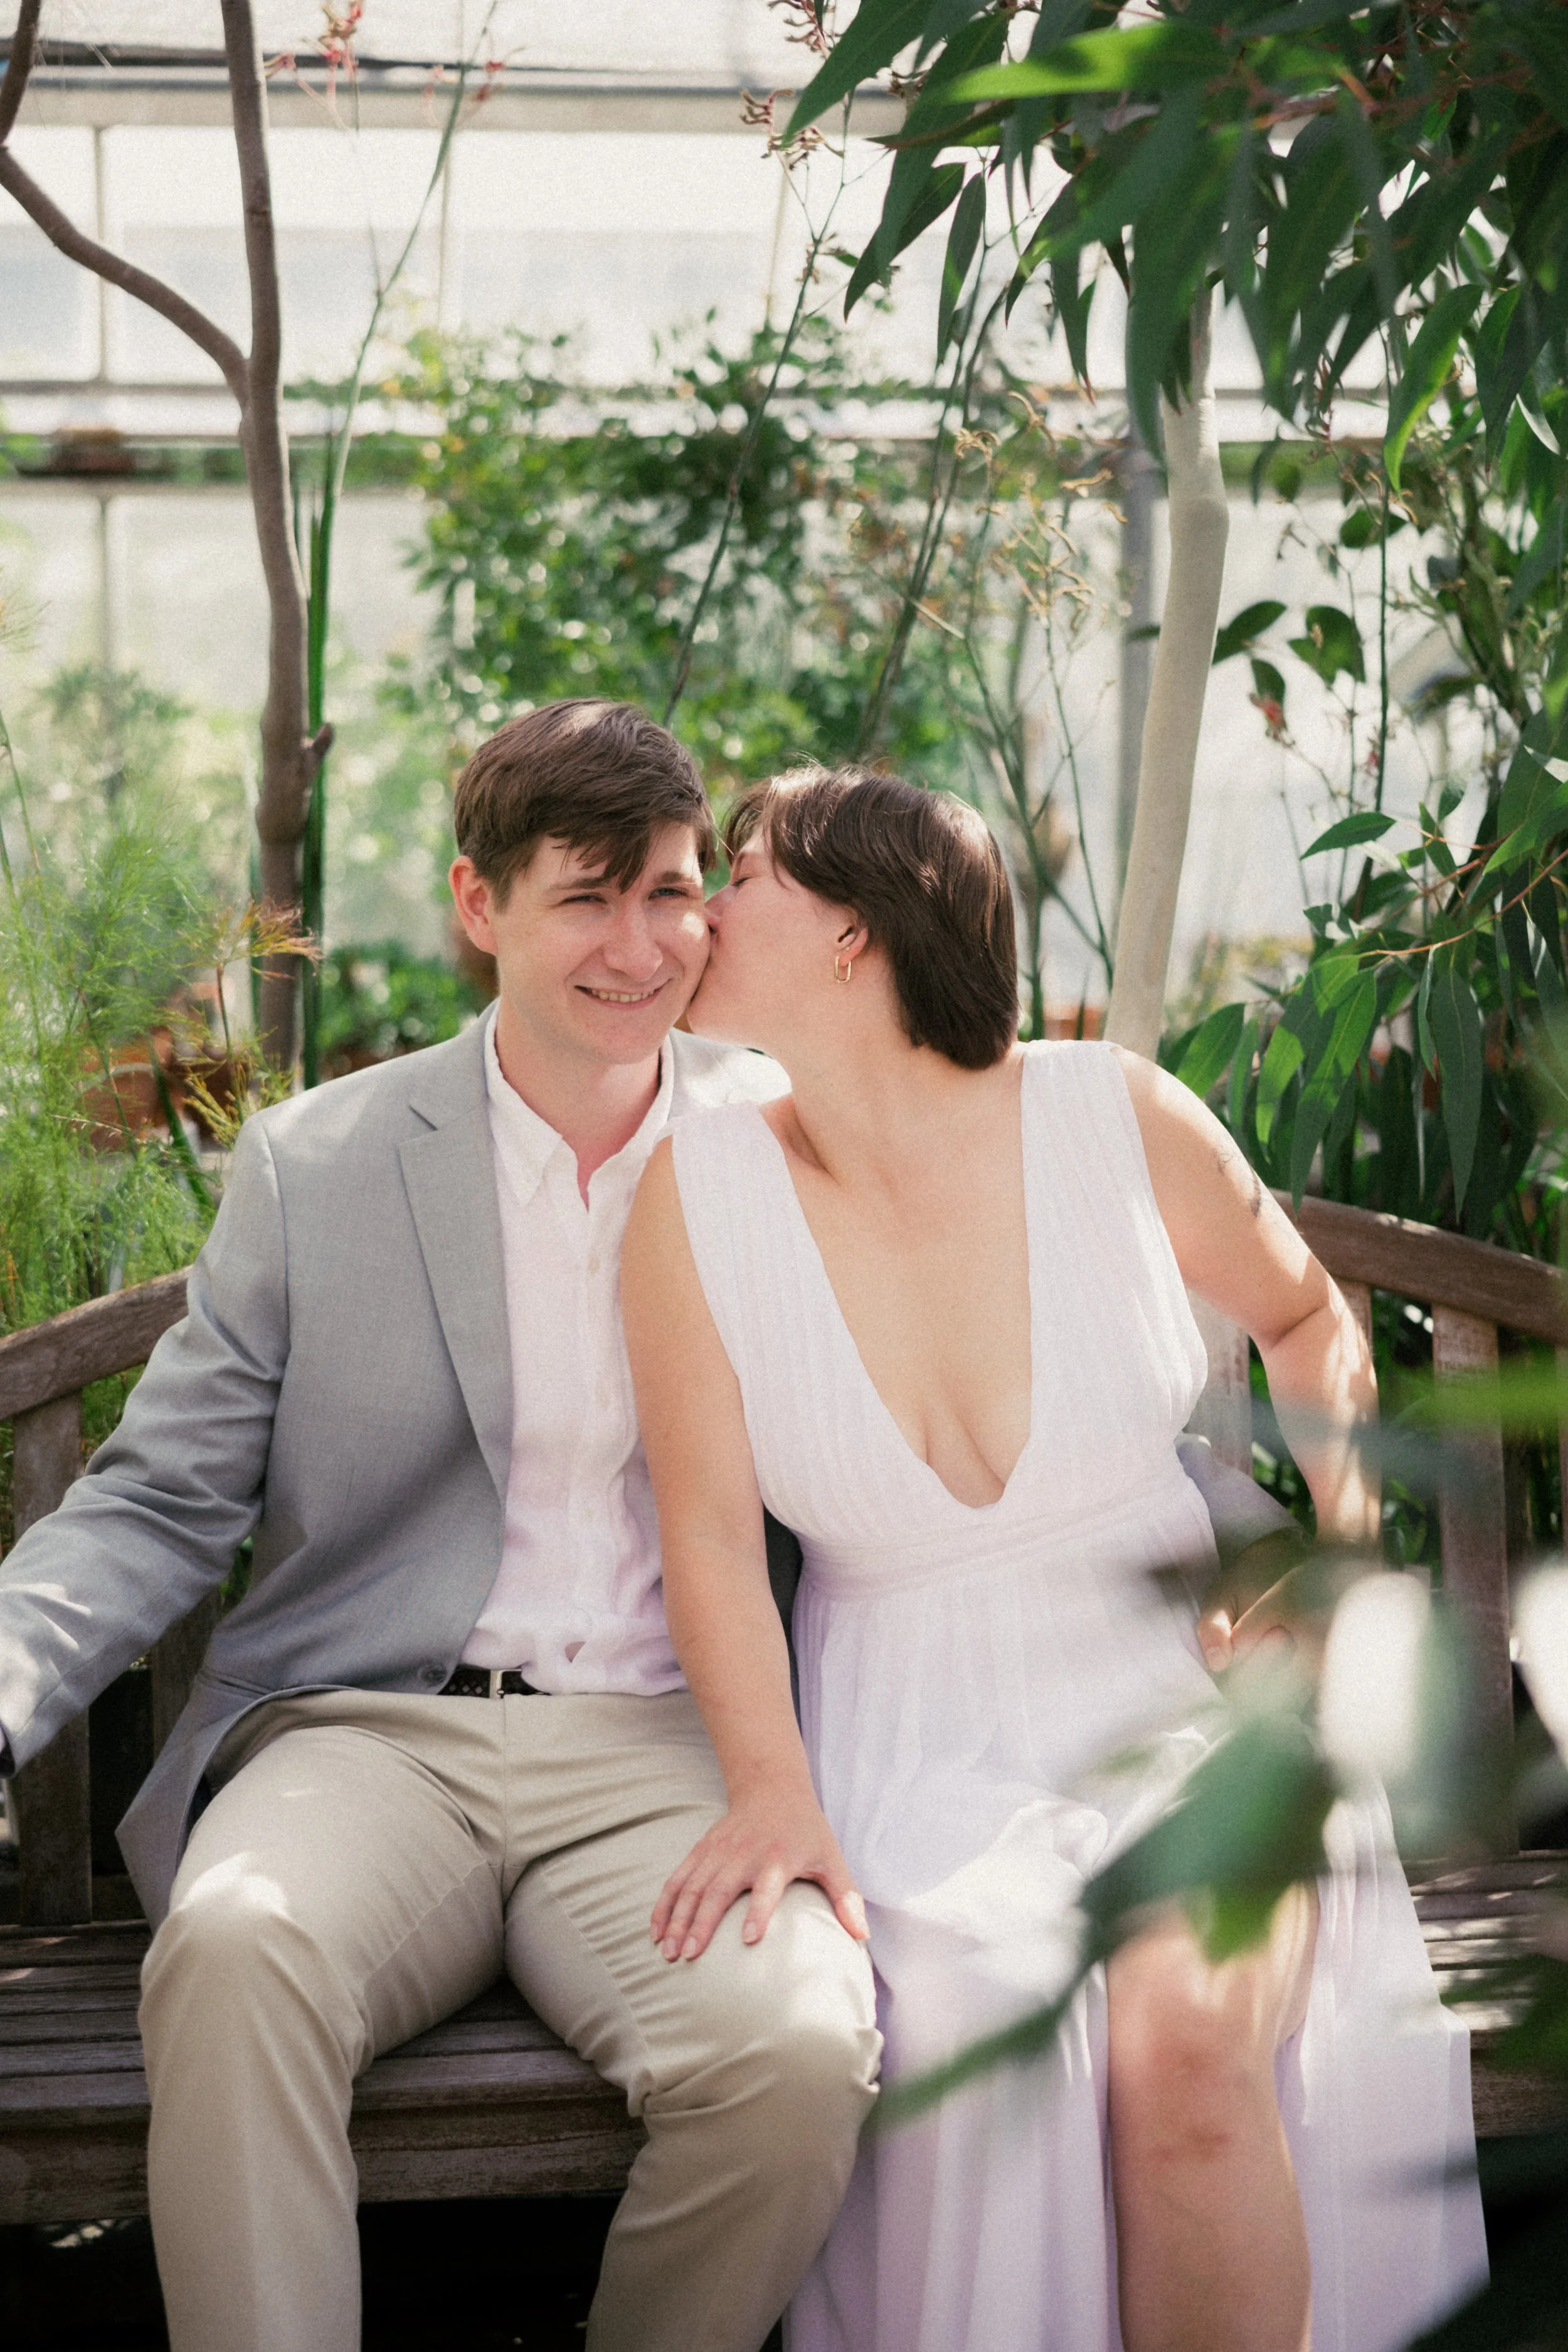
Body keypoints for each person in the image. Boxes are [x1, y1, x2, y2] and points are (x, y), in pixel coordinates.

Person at [0, 702, 886, 2352]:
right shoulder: (318, 1161)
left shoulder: (785, 1137)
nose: (642, 947)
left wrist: (1209, 1543)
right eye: (587, 896)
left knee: (793, 2055)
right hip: (371, 1734)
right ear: (479, 904)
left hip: (672, 1751)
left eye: (676, 893)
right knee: (236, 1942)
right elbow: (164, 1490)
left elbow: (973, 1379)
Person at [620, 765, 1489, 2352]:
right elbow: (705, 1539)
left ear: (849, 933)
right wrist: (770, 1788)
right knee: (982, 2004)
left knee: (1183, 2042)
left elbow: (1307, 1320)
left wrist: (1339, 1567)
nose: (696, 906)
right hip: (909, 1732)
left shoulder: (1114, 1115)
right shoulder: (697, 1193)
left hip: (1180, 1699)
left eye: (735, 871)